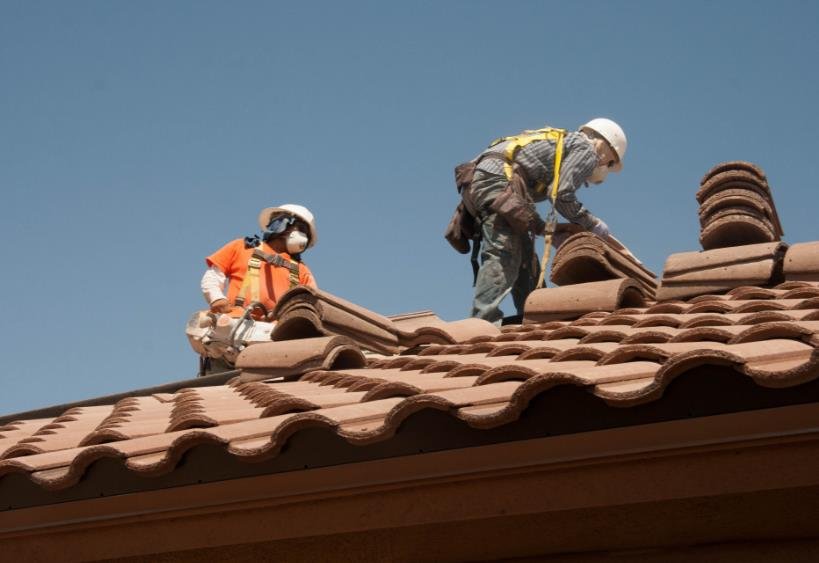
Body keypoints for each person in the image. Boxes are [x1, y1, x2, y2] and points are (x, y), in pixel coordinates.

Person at [463, 118, 627, 323]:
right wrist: (591, 223)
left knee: (525, 259)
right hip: (498, 182)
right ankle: (482, 321)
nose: (605, 166)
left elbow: (521, 199)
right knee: (505, 253)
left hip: (488, 182)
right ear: (606, 145)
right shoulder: (587, 149)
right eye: (610, 162)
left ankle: (535, 316)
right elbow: (561, 194)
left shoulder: (563, 144)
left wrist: (548, 229)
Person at [201, 203, 318, 319]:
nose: (304, 237)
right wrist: (217, 298)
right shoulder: (242, 247)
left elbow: (313, 302)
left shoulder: (302, 269)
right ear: (282, 223)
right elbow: (213, 277)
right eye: (301, 229)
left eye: (307, 234)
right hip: (238, 321)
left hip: (279, 328)